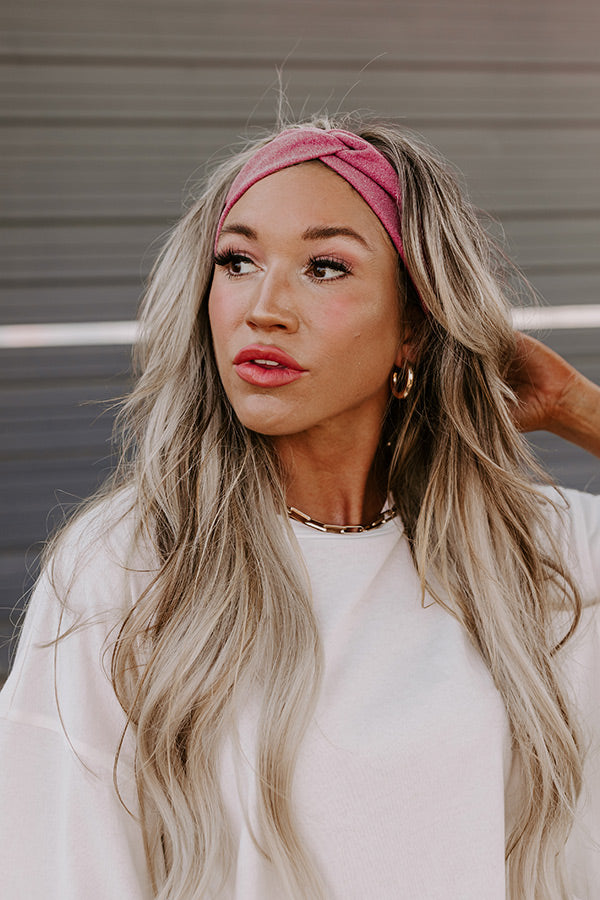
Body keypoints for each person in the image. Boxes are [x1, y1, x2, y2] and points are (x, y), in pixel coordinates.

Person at [0, 116, 599, 900]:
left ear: (414, 325)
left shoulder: (538, 551)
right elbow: (56, 870)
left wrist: (577, 407)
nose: (264, 307)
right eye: (238, 260)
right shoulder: (128, 565)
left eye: (324, 267)